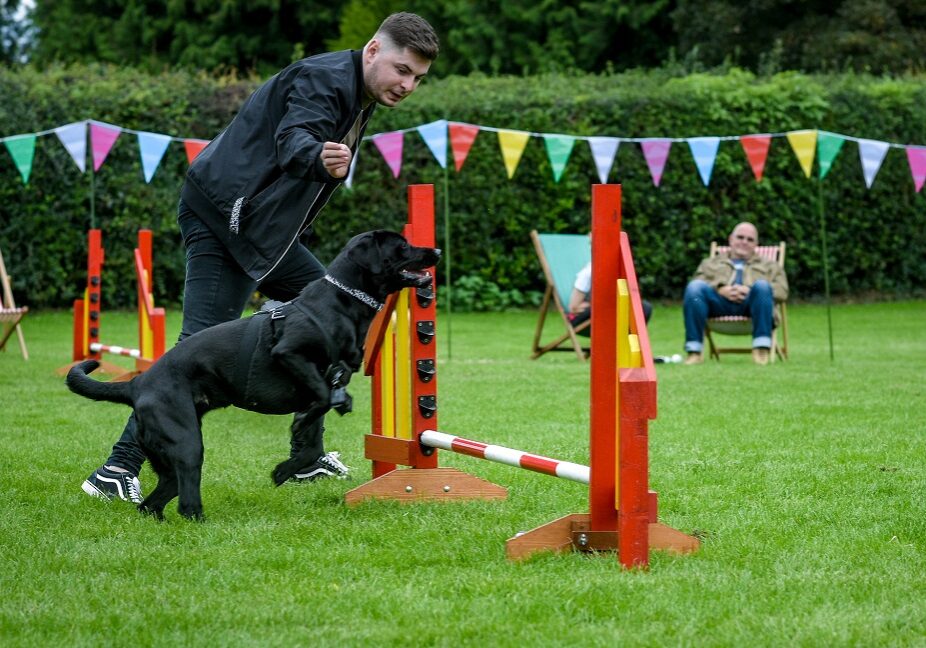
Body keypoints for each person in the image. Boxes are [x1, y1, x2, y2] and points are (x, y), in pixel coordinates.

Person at [81, 13, 440, 503]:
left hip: (263, 232)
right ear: (374, 50)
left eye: (417, 78)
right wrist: (316, 157)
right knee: (194, 351)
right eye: (402, 69)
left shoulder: (359, 92)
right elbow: (295, 139)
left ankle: (305, 458)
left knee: (336, 312)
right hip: (223, 218)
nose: (408, 85)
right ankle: (117, 469)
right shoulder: (325, 79)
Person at [682, 222, 788, 366]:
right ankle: (694, 351)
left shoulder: (770, 265)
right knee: (694, 288)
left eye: (750, 240)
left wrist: (752, 290)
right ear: (730, 239)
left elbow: (782, 290)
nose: (744, 242)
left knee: (762, 286)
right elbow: (697, 282)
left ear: (756, 244)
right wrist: (719, 289)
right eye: (740, 237)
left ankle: (761, 349)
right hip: (718, 305)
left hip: (752, 306)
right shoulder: (710, 263)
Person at [567, 260, 653, 332]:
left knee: (645, 308)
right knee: (611, 307)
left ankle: (629, 342)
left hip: (606, 313)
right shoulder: (588, 273)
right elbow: (574, 307)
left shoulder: (618, 269)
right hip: (582, 319)